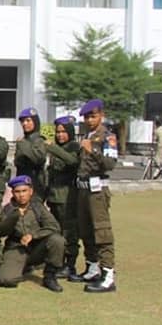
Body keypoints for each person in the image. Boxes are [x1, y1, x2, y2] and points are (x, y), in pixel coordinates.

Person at [69, 99, 119, 293]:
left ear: (101, 116)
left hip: (97, 190)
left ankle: (108, 274)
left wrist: (94, 150)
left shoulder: (107, 137)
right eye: (87, 117)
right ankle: (92, 267)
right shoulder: (87, 135)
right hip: (83, 189)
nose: (90, 120)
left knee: (102, 231)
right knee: (86, 230)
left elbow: (110, 164)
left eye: (93, 116)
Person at [0, 175, 64, 292]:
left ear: (30, 191)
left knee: (57, 240)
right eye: (17, 192)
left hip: (37, 247)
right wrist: (14, 216)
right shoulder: (7, 209)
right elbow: (0, 232)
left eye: (24, 191)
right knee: (6, 280)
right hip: (16, 248)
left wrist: (33, 235)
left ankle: (50, 276)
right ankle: (21, 267)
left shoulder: (38, 207)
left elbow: (54, 226)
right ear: (12, 193)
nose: (21, 195)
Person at [46, 116, 81, 279]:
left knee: (69, 232)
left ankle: (70, 264)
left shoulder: (73, 146)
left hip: (68, 197)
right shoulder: (58, 148)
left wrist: (53, 148)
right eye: (58, 132)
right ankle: (57, 261)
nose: (60, 135)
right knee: (56, 231)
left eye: (63, 132)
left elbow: (73, 162)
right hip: (54, 196)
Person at [14, 107, 48, 196]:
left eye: (28, 121)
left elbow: (38, 159)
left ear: (35, 122)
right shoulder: (23, 140)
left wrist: (23, 144)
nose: (25, 124)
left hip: (36, 184)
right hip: (21, 182)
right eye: (22, 121)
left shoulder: (39, 140)